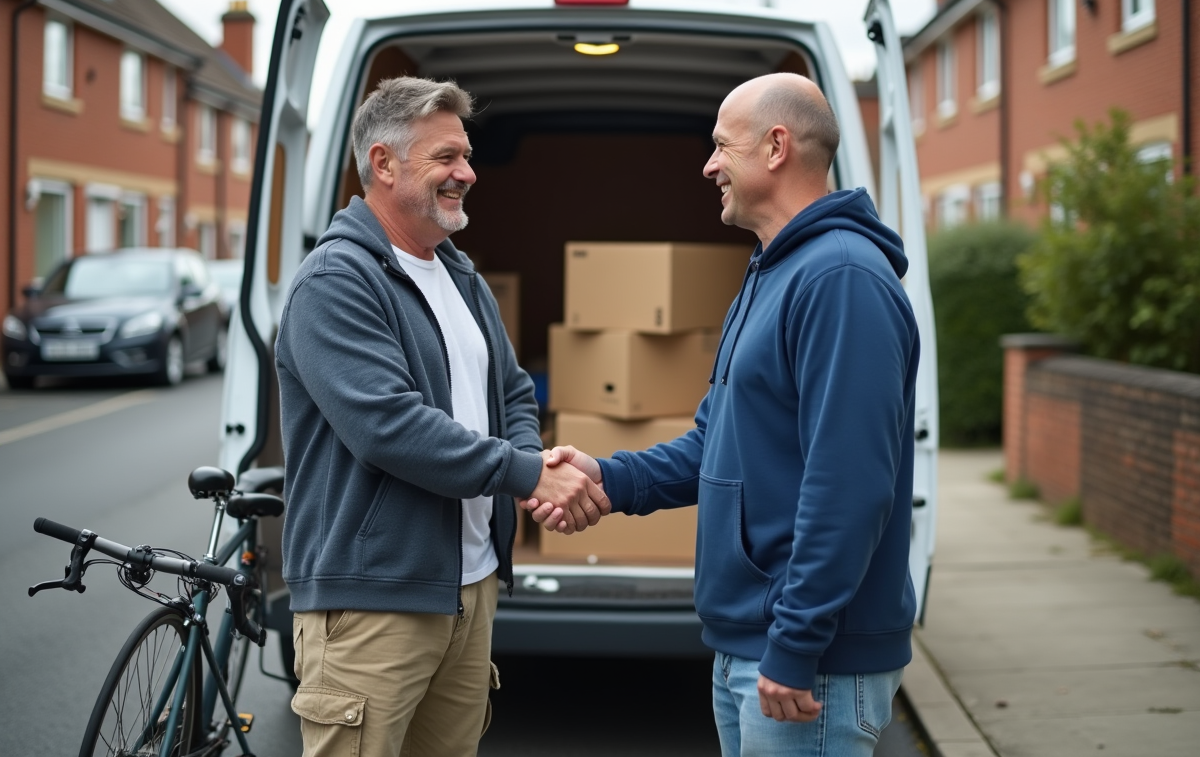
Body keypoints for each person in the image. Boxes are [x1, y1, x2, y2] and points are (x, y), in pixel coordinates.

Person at [530, 72, 920, 756]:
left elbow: (851, 486)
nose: (708, 166)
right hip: (753, 645)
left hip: (809, 662)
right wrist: (608, 476)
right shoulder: (774, 271)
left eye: (720, 147)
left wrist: (796, 642)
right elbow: (719, 442)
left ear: (776, 147)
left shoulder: (842, 280)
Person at [275, 76, 609, 757]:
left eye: (465, 156)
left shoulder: (459, 274)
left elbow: (511, 393)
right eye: (446, 158)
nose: (467, 173)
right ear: (383, 164)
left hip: (468, 588)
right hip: (374, 602)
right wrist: (526, 474)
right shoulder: (337, 281)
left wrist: (529, 464)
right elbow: (388, 427)